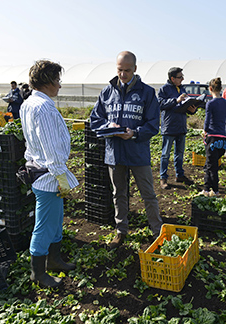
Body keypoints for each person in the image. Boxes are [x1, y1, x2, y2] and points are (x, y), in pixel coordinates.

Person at [90, 51, 162, 250]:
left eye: (127, 70)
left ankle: (157, 231)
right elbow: (95, 119)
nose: (123, 74)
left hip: (138, 152)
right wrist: (109, 126)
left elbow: (154, 124)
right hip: (115, 152)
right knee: (118, 193)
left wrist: (135, 133)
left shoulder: (147, 93)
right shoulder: (107, 92)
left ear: (135, 69)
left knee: (148, 194)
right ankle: (121, 231)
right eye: (120, 70)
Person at [20, 60, 79, 288]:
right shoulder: (43, 108)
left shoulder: (29, 103)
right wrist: (61, 177)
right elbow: (51, 148)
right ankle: (38, 273)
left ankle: (54, 260)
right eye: (57, 80)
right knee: (44, 225)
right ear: (47, 81)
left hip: (41, 170)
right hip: (48, 176)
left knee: (55, 222)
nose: (59, 86)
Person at [157, 67, 196, 189]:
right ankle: (163, 178)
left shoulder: (182, 88)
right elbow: (160, 104)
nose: (182, 79)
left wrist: (192, 110)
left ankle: (180, 175)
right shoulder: (164, 89)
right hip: (169, 127)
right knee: (165, 154)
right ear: (172, 78)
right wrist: (175, 100)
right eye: (180, 77)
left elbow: (185, 105)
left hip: (181, 126)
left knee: (179, 153)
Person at [201, 77, 226, 197]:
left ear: (210, 89)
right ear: (221, 88)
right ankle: (210, 188)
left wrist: (205, 131)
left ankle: (211, 190)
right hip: (222, 137)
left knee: (210, 166)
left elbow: (207, 121)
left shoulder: (210, 103)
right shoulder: (225, 102)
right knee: (212, 164)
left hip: (212, 137)